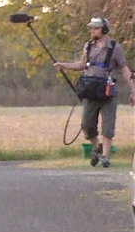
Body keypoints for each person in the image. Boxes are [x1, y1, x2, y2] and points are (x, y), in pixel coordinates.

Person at [54, 17, 134, 167]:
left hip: (107, 92)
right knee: (87, 124)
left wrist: (133, 91)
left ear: (104, 30)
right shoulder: (88, 46)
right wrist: (63, 65)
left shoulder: (114, 48)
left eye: (95, 28)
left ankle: (105, 157)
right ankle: (97, 147)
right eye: (91, 28)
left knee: (108, 125)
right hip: (90, 91)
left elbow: (124, 69)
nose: (92, 31)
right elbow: (82, 64)